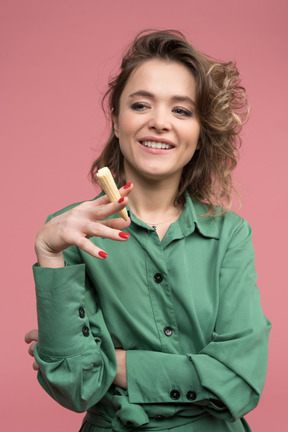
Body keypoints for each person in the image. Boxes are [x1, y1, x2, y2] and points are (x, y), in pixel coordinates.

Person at [25, 30, 271, 432]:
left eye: (181, 111)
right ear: (117, 123)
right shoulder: (69, 231)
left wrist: (112, 360)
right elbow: (78, 384)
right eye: (140, 105)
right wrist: (49, 255)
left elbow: (240, 381)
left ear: (198, 135)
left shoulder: (229, 235)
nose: (159, 122)